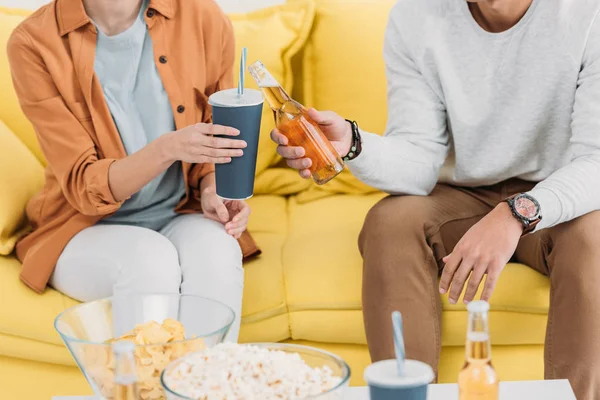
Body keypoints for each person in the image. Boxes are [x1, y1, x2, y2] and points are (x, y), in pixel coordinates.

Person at [272, 0, 600, 397]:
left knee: (594, 240)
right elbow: (418, 156)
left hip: (558, 193)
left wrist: (514, 214)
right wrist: (353, 143)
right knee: (389, 222)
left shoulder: (589, 13)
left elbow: (595, 160)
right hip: (458, 195)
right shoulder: (416, 15)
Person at [7, 0, 259, 341]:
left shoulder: (201, 16)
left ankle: (201, 388)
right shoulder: (33, 43)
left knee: (219, 252)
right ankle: (143, 392)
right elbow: (84, 185)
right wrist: (168, 148)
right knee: (149, 261)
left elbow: (215, 132)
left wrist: (215, 188)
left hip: (179, 210)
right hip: (83, 227)